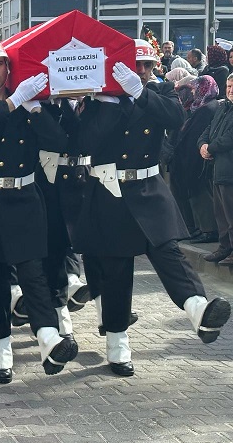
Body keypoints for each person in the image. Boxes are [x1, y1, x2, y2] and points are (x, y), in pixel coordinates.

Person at [77, 39, 230, 377]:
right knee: (116, 270)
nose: (142, 71)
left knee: (168, 251)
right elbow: (86, 143)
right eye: (136, 66)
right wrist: (110, 102)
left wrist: (138, 93)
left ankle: (199, 310)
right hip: (110, 190)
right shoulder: (99, 101)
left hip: (147, 187)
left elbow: (176, 117)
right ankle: (118, 344)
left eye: (147, 66)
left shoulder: (161, 93)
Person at [0, 39, 76, 383]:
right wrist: (13, 102)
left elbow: (59, 142)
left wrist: (35, 108)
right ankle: (1, 351)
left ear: (9, 68)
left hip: (23, 199)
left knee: (33, 273)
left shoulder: (27, 101)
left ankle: (49, 338)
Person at [164, 76, 219, 244]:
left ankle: (209, 230)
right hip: (192, 158)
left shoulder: (207, 109)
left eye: (197, 88)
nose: (193, 91)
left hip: (197, 160)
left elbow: (195, 136)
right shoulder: (203, 107)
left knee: (201, 196)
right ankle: (201, 229)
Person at [200, 74, 233, 265]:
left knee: (231, 214)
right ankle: (225, 248)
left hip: (229, 170)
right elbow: (208, 130)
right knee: (221, 214)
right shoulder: (223, 107)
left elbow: (229, 138)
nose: (230, 90)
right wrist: (203, 144)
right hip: (218, 169)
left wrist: (210, 148)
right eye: (228, 86)